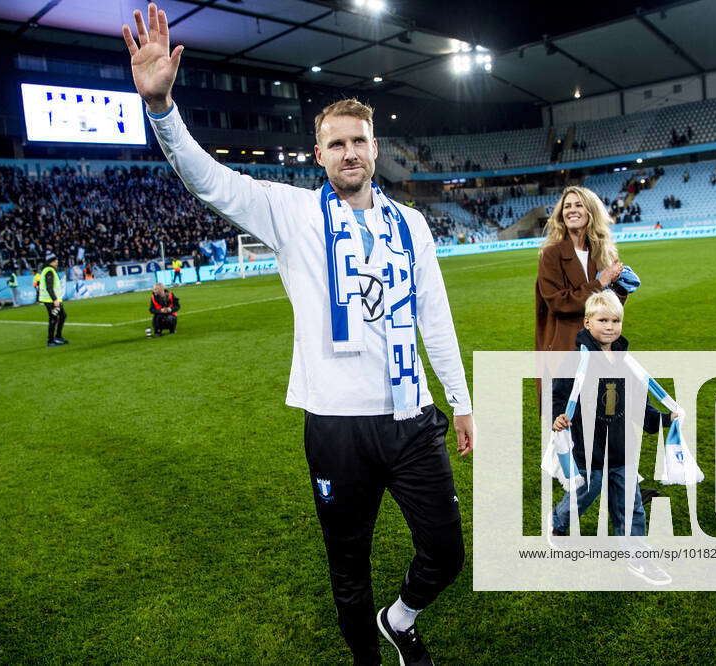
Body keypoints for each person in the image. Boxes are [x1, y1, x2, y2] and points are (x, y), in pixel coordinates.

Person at [123, 6, 473, 663]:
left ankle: (400, 619)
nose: (349, 153)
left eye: (359, 141)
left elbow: (435, 315)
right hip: (335, 425)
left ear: (375, 149)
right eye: (336, 143)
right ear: (319, 154)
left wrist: (461, 399)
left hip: (409, 415)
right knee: (348, 565)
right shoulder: (290, 213)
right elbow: (208, 181)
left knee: (447, 549)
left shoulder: (413, 226)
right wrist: (163, 107)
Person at [548, 291, 675, 582]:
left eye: (615, 320)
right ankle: (558, 521)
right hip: (589, 449)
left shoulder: (626, 362)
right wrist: (558, 415)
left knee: (630, 504)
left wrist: (663, 419)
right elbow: (559, 395)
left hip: (621, 448)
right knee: (585, 494)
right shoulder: (574, 361)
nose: (610, 326)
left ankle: (636, 555)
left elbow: (637, 402)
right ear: (587, 322)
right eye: (602, 320)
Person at [535, 185, 627, 354]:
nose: (572, 210)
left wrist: (619, 286)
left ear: (590, 210)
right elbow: (558, 303)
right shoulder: (551, 254)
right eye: (567, 206)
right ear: (561, 214)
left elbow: (608, 307)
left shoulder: (601, 252)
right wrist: (600, 283)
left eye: (578, 205)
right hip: (565, 345)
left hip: (600, 344)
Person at [38, 253, 68, 347]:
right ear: (50, 262)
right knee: (54, 318)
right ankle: (50, 341)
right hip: (50, 300)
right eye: (55, 261)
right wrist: (54, 299)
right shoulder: (49, 271)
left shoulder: (50, 270)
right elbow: (49, 287)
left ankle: (58, 336)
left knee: (62, 316)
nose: (57, 263)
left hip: (53, 300)